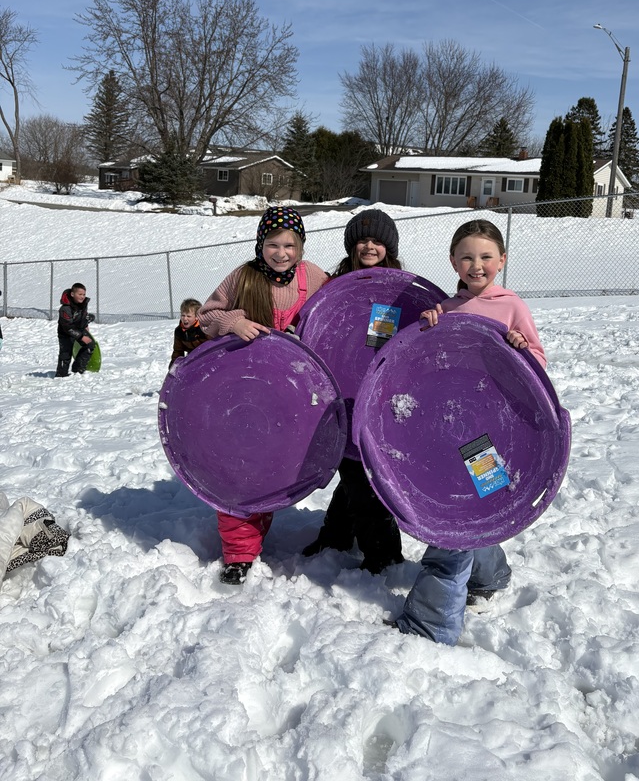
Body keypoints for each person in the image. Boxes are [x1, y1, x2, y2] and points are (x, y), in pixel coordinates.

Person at [387, 219, 546, 645]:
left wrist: (521, 348)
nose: (477, 265)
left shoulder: (511, 306)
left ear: (502, 260)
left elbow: (538, 366)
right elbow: (430, 362)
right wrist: (427, 327)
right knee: (472, 507)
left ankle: (429, 623)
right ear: (453, 262)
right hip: (451, 425)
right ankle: (490, 576)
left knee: (462, 516)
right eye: (467, 257)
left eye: (486, 257)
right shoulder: (446, 307)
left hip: (489, 432)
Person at [198, 207, 328, 585]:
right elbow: (206, 317)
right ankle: (239, 552)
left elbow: (336, 313)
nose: (281, 253)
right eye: (273, 244)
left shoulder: (313, 277)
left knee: (273, 467)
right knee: (239, 468)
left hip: (293, 396)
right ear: (260, 244)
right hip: (247, 390)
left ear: (301, 247)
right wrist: (233, 321)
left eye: (290, 245)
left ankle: (262, 516)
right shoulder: (243, 276)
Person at [302, 209, 404, 573]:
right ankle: (337, 535)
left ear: (389, 247)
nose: (369, 246)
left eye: (377, 241)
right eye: (362, 240)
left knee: (365, 476)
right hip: (342, 392)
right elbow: (319, 327)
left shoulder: (399, 289)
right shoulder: (336, 286)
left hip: (382, 395)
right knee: (351, 468)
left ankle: (383, 554)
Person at [55, 283, 95, 377]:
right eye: (80, 294)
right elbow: (68, 327)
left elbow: (83, 316)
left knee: (90, 345)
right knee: (65, 354)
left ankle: (78, 369)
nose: (82, 297)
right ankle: (61, 374)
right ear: (72, 294)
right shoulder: (65, 309)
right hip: (66, 333)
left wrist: (85, 324)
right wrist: (81, 337)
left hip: (79, 329)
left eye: (84, 294)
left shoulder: (83, 303)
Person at [168, 298, 208, 369]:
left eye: (188, 316)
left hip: (207, 357)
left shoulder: (204, 328)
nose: (185, 318)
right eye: (183, 315)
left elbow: (214, 344)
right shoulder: (179, 331)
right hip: (192, 359)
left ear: (197, 317)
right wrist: (173, 367)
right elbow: (178, 351)